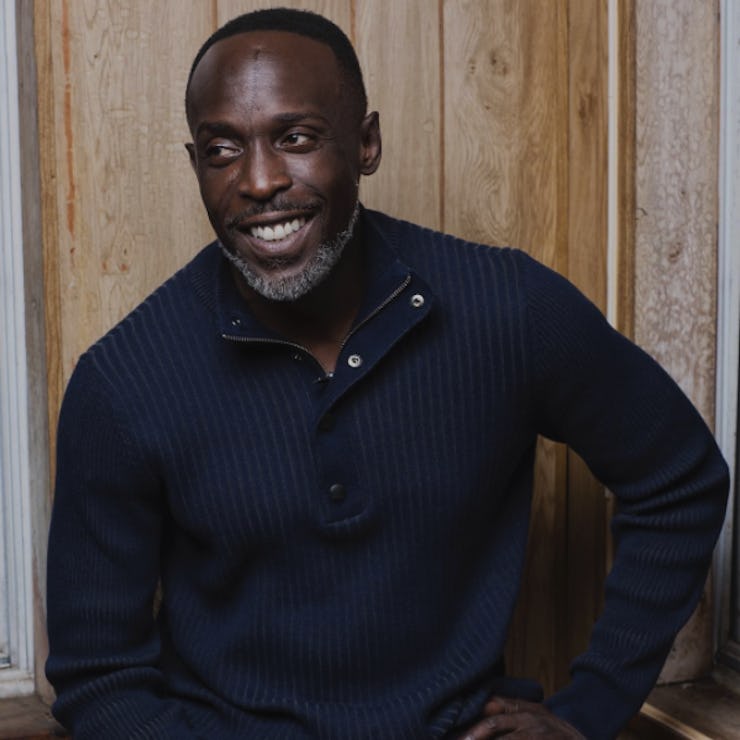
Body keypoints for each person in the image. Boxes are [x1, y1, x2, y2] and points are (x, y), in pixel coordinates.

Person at [45, 8, 729, 740]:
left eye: (296, 138)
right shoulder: (122, 383)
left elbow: (679, 480)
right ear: (195, 166)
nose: (259, 180)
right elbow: (100, 678)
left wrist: (590, 710)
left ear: (366, 143)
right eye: (222, 150)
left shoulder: (508, 310)